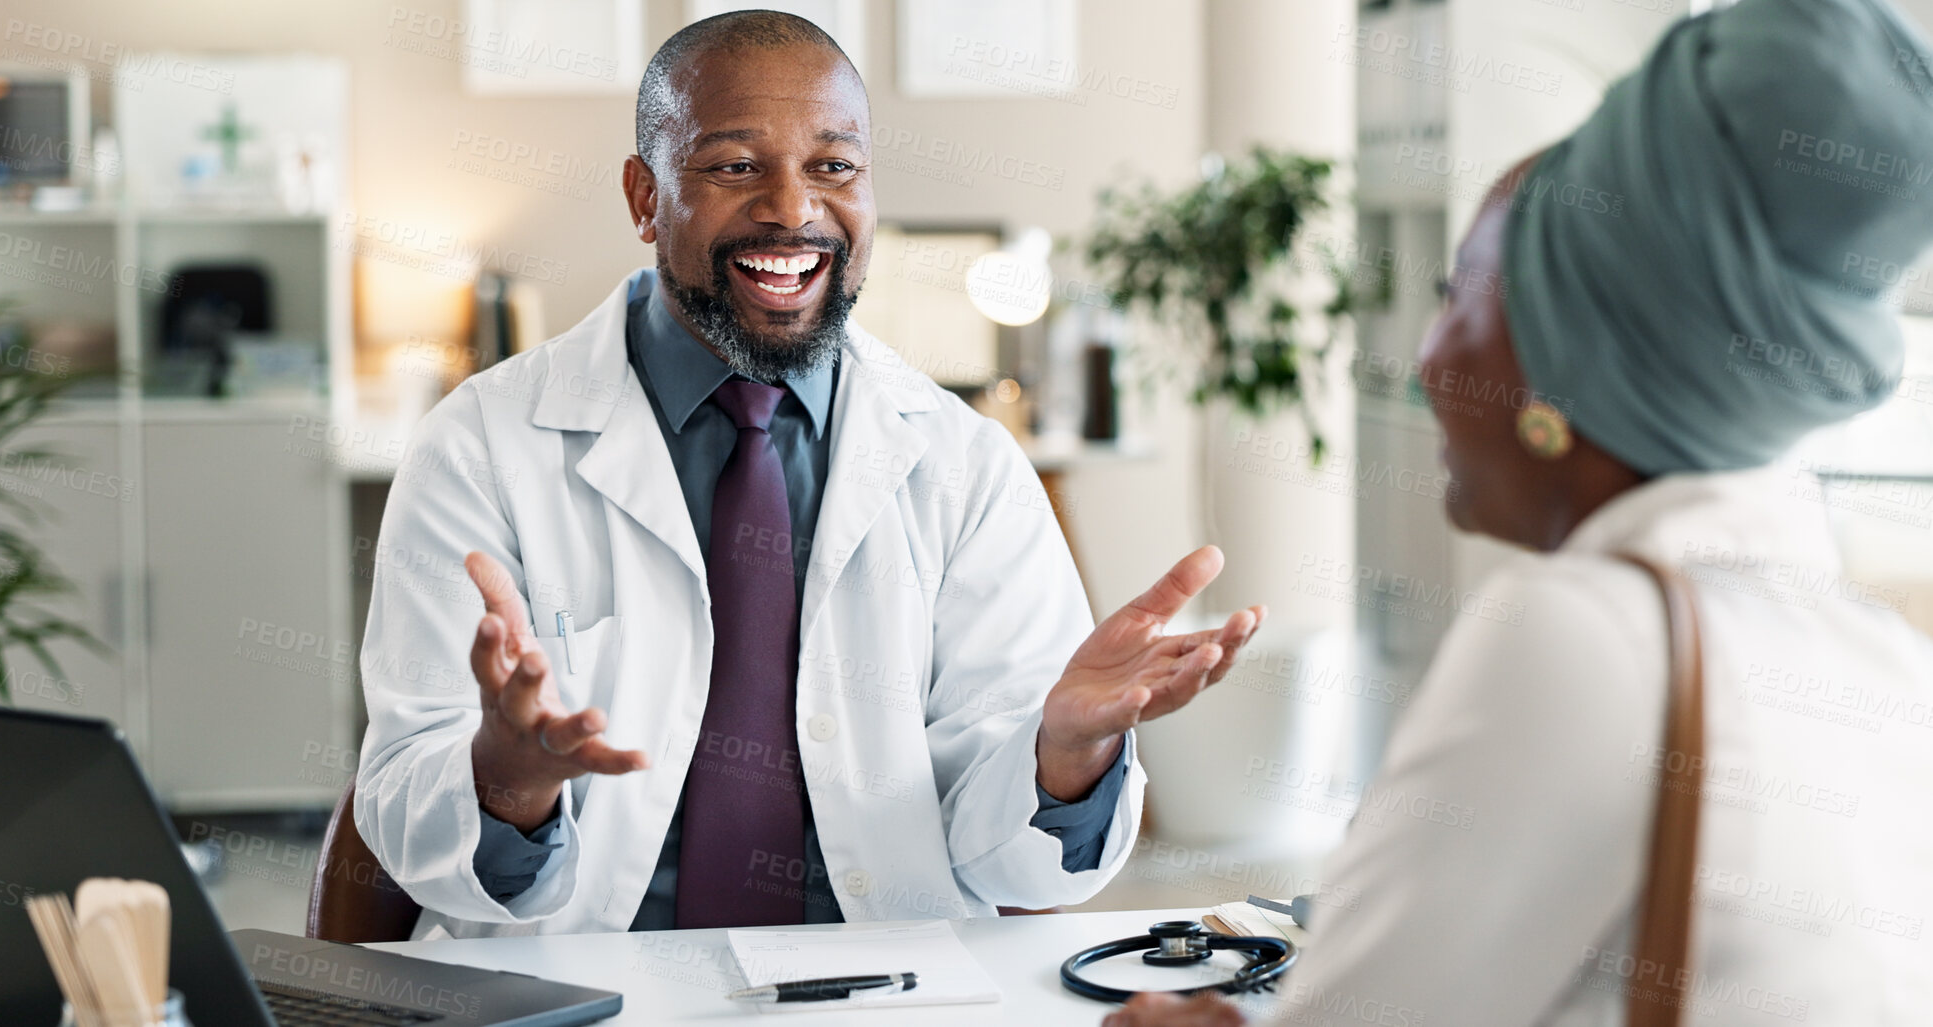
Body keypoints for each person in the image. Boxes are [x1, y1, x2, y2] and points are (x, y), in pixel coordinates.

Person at [354, 11, 1265, 939]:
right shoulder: (479, 445)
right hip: (582, 982)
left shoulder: (966, 463)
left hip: (884, 987)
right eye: (735, 165)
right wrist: (508, 777)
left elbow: (1011, 862)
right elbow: (398, 809)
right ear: (643, 196)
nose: (792, 209)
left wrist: (1064, 753)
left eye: (833, 167)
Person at [1111, 0, 1933, 1023]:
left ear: (1568, 353)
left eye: (1460, 298)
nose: (1425, 357)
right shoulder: (1878, 659)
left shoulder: (1579, 632)